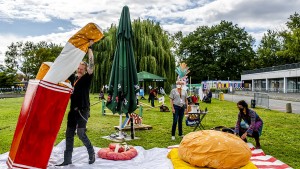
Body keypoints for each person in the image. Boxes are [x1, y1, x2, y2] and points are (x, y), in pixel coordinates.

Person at [56, 40, 96, 166]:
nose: (79, 70)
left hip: (83, 110)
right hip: (72, 111)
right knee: (69, 134)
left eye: (81, 69)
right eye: (78, 68)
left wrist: (89, 49)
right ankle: (67, 160)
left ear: (85, 70)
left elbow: (92, 64)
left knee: (81, 133)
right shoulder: (73, 78)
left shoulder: (86, 78)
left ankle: (91, 153)